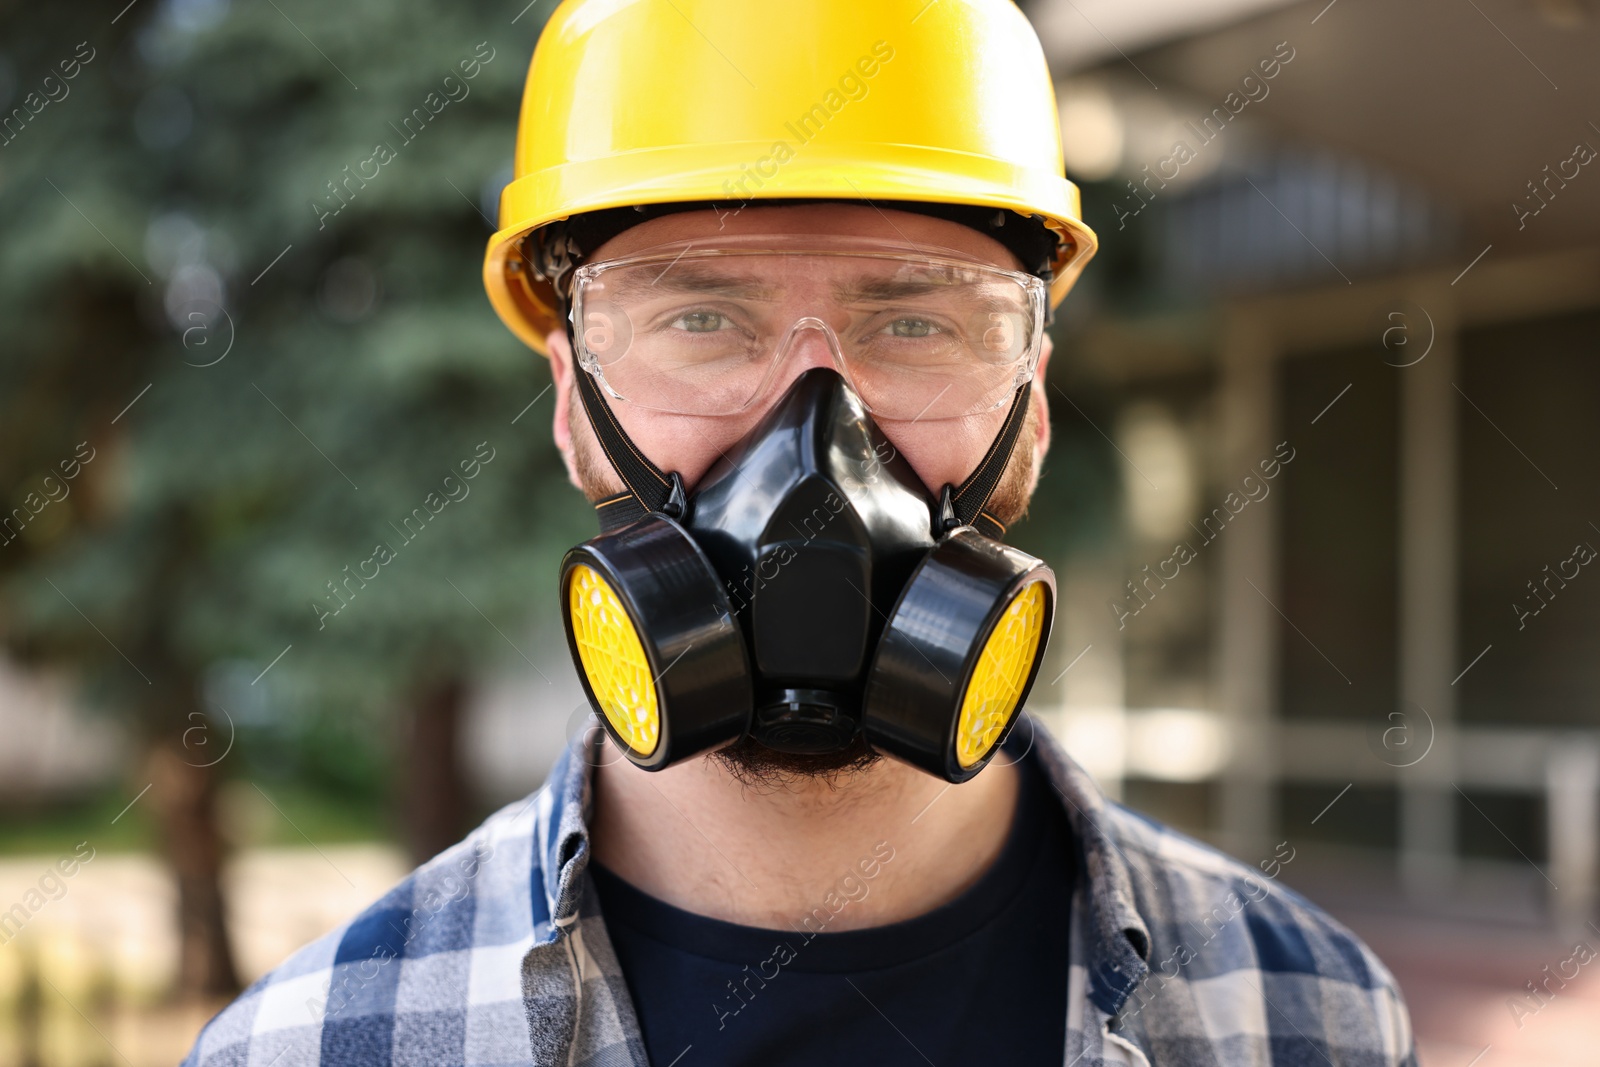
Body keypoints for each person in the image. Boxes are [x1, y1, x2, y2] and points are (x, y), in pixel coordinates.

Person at [184, 1, 1417, 1064]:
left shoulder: (1311, 1017)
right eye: (703, 319)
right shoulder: (317, 1037)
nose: (817, 433)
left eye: (918, 324)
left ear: (1031, 406)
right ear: (572, 404)